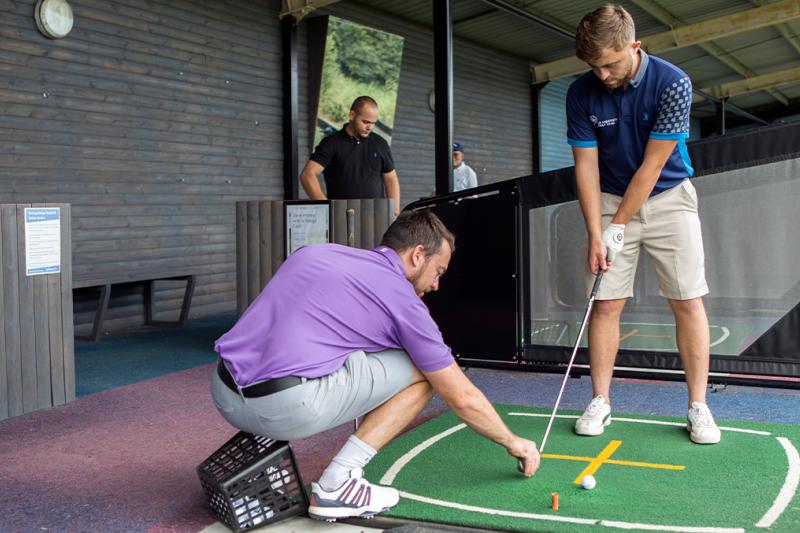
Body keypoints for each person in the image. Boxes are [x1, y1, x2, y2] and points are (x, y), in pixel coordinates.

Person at [211, 210, 541, 521]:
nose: (437, 285)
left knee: (328, 350)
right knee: (427, 374)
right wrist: (513, 442)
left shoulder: (314, 253)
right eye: (438, 272)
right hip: (283, 408)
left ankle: (259, 458)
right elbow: (461, 396)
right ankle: (337, 484)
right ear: (417, 255)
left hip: (224, 394)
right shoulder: (404, 302)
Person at [566, 4, 720, 444]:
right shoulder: (581, 92)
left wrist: (616, 225)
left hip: (670, 198)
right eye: (593, 66)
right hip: (610, 199)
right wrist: (597, 232)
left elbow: (652, 167)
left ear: (635, 46)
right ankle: (600, 400)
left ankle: (698, 406)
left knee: (688, 300)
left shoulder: (673, 82)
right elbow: (586, 167)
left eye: (610, 63)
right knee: (606, 302)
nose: (602, 74)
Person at [300, 96, 401, 216]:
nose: (370, 127)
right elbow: (307, 175)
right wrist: (326, 208)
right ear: (352, 115)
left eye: (373, 123)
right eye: (365, 122)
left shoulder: (380, 143)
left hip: (377, 218)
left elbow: (391, 179)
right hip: (342, 219)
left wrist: (395, 212)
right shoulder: (331, 143)